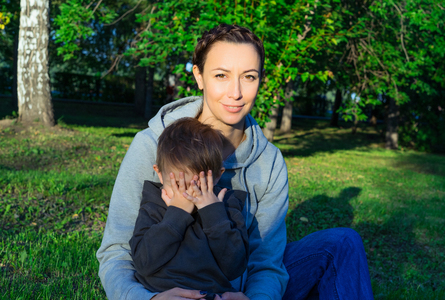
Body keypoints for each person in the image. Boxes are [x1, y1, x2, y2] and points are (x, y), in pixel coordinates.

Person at [97, 23, 374, 300]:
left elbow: (267, 262)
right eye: (221, 75)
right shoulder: (153, 145)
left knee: (342, 243)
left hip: (238, 284)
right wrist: (149, 299)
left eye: (249, 77)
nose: (236, 92)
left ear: (260, 80)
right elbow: (116, 251)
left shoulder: (269, 162)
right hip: (168, 285)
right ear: (199, 76)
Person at [129, 117, 249, 300]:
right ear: (159, 174)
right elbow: (143, 263)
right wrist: (176, 214)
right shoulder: (154, 203)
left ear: (217, 176)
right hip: (160, 293)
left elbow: (234, 267)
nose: (186, 195)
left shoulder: (226, 204)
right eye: (177, 184)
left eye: (198, 185)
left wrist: (213, 212)